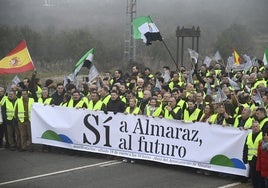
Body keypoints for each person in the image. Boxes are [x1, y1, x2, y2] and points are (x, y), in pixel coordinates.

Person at [242, 121, 262, 187]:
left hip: (260, 159)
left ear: (259, 127)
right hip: (251, 159)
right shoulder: (249, 135)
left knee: (260, 176)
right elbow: (246, 147)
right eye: (253, 126)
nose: (255, 128)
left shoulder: (263, 135)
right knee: (253, 176)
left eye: (256, 126)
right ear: (252, 127)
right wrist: (244, 157)